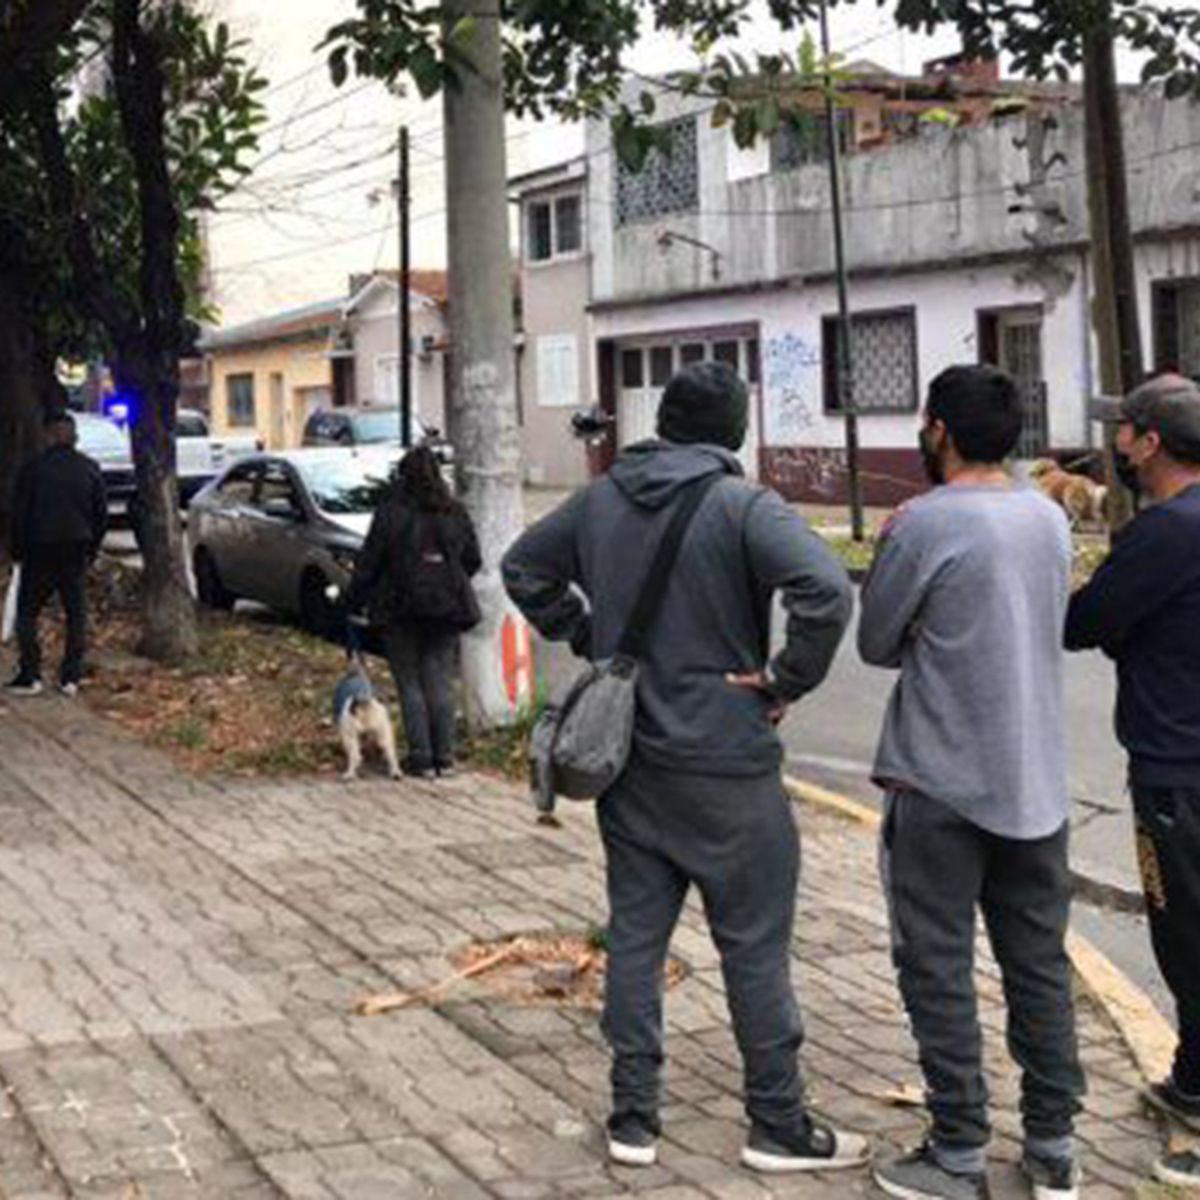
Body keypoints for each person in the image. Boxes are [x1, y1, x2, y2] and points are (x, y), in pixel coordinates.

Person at [502, 362, 868, 1174]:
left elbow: (523, 567)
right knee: (754, 946)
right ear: (733, 429)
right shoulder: (743, 506)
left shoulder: (601, 498)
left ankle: (633, 1120)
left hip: (629, 763)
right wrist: (784, 679)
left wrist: (588, 634)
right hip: (729, 767)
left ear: (664, 421)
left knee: (634, 939)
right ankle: (776, 1123)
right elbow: (825, 591)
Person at [859, 364, 1085, 1200]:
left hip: (939, 781)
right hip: (1037, 782)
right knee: (1039, 966)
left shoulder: (920, 522)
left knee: (938, 966)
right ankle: (1055, 1145)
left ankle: (957, 1150)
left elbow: (877, 641)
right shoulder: (1048, 516)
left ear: (938, 431)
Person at [1065, 373, 1200, 1191]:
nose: (1114, 446)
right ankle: (1190, 1077)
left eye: (1124, 432)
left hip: (1177, 772)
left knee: (1185, 935)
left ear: (1149, 443)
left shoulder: (1164, 536)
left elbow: (1085, 624)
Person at [345, 444, 480, 779]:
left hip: (398, 607)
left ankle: (420, 757)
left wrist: (351, 602)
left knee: (409, 682)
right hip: (447, 607)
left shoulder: (390, 512)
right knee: (440, 680)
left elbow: (369, 564)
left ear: (402, 477)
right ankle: (444, 758)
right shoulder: (455, 512)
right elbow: (473, 560)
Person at [5, 408, 108, 698]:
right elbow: (101, 513)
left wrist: (17, 551)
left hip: (39, 549)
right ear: (74, 436)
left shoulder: (33, 468)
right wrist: (92, 549)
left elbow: (20, 514)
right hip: (76, 548)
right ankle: (70, 677)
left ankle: (31, 673)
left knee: (27, 613)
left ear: (48, 436)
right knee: (76, 614)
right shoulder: (89, 468)